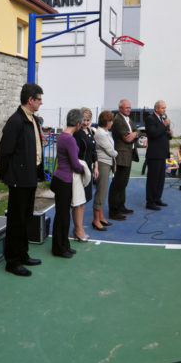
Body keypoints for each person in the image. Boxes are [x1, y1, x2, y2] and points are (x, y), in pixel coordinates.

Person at [0, 83, 46, 278]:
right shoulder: (16, 121)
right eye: (39, 99)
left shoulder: (32, 119)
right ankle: (12, 261)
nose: (41, 102)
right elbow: (5, 151)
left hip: (30, 177)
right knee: (16, 221)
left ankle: (23, 254)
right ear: (30, 100)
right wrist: (4, 175)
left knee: (26, 218)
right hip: (19, 178)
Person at [51, 109, 86, 259]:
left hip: (60, 179)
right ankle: (59, 248)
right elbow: (75, 163)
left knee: (62, 215)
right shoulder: (69, 139)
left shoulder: (63, 136)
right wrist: (84, 169)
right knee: (62, 216)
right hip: (64, 181)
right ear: (78, 124)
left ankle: (64, 245)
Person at [71, 107, 98, 242]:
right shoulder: (77, 134)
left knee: (84, 200)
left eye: (88, 120)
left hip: (88, 170)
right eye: (84, 120)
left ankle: (79, 227)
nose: (86, 123)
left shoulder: (90, 132)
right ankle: (78, 229)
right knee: (78, 202)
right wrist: (80, 169)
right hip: (79, 171)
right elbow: (74, 154)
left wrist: (96, 167)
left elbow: (93, 151)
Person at [108, 99, 137, 220]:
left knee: (123, 183)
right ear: (120, 108)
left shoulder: (128, 119)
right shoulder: (118, 120)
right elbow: (127, 138)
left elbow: (136, 132)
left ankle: (121, 206)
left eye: (130, 107)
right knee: (117, 184)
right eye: (126, 108)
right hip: (121, 156)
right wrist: (134, 134)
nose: (129, 110)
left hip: (128, 155)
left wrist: (135, 134)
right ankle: (113, 211)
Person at [144, 100, 174, 210]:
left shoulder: (163, 119)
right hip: (154, 154)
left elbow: (164, 135)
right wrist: (164, 125)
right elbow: (153, 134)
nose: (164, 110)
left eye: (165, 108)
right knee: (153, 179)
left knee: (161, 179)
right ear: (156, 108)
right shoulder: (150, 119)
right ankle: (150, 202)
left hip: (162, 153)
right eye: (162, 108)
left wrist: (170, 134)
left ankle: (157, 198)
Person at [92, 110, 116, 231]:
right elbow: (110, 150)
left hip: (106, 163)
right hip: (102, 164)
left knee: (103, 191)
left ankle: (100, 217)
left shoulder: (105, 132)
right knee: (100, 192)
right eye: (111, 121)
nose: (112, 123)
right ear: (107, 122)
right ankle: (96, 220)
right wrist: (118, 154)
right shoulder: (100, 134)